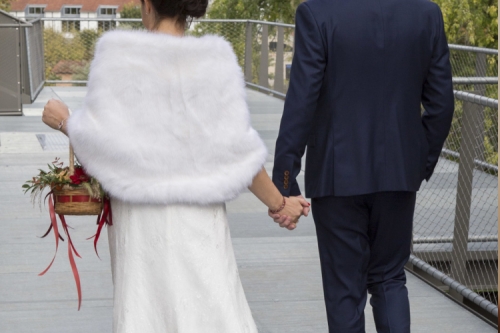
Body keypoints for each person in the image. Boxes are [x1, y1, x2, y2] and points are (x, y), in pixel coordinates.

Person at [42, 0, 309, 331]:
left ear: (148, 6)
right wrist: (281, 204)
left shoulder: (119, 61)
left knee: (145, 312)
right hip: (197, 216)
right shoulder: (215, 65)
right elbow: (238, 154)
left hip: (140, 220)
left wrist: (65, 121)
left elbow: (99, 147)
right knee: (211, 307)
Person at [270, 0, 454, 332]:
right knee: (390, 278)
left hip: (335, 175)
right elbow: (442, 104)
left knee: (344, 291)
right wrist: (416, 163)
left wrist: (285, 180)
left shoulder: (318, 13)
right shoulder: (426, 14)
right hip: (399, 175)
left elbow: (302, 101)